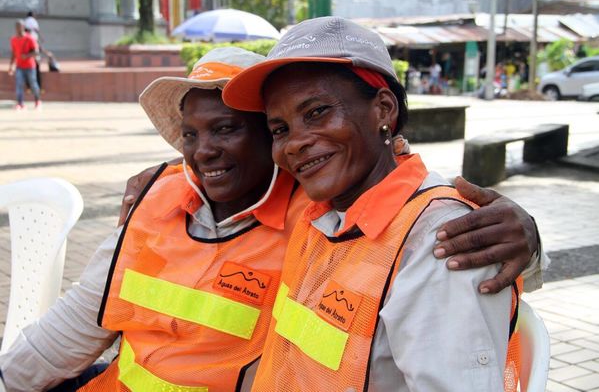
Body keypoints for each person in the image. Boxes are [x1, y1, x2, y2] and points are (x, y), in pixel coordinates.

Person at [0, 46, 543, 391]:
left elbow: (418, 219)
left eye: (228, 130)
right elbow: (75, 321)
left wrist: (527, 240)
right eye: (190, 136)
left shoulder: (316, 213)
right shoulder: (157, 198)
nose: (202, 151)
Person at [222, 16, 531, 391]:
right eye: (280, 129)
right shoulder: (324, 210)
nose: (294, 144)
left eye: (317, 112)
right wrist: (167, 177)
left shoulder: (440, 241)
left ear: (383, 109)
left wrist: (530, 240)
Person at [8, 20, 41, 110]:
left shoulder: (29, 38)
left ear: (23, 27)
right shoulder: (13, 39)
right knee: (19, 84)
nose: (18, 28)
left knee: (33, 84)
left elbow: (36, 52)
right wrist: (11, 66)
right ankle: (20, 103)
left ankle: (37, 101)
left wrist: (26, 56)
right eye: (16, 27)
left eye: (19, 26)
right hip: (19, 66)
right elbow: (13, 53)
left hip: (30, 66)